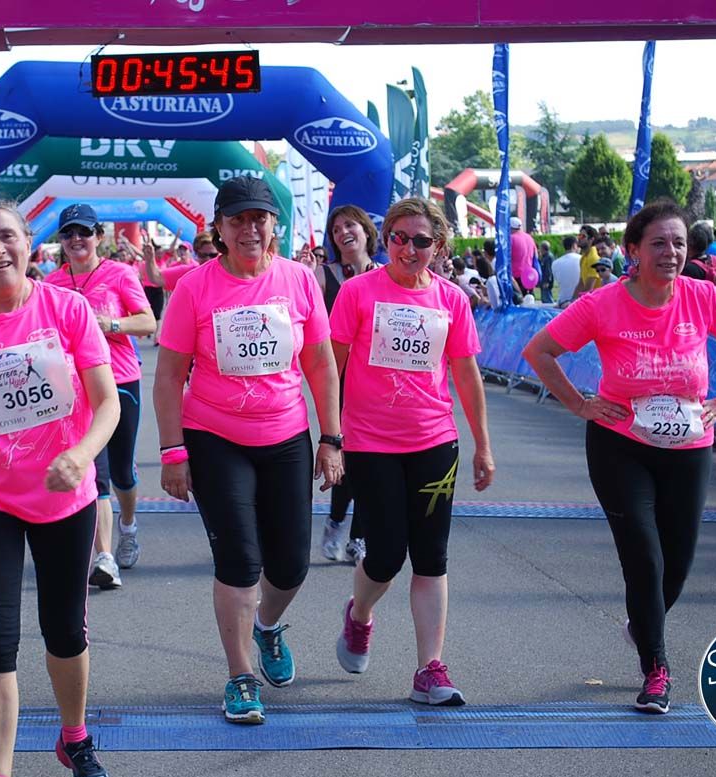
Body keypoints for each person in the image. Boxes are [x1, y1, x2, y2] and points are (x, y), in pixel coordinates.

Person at [522, 200, 716, 715]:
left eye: (679, 243)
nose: (671, 252)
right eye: (658, 243)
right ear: (633, 251)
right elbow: (539, 352)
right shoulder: (603, 303)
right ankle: (656, 669)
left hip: (688, 447)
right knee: (644, 554)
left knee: (675, 566)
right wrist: (579, 403)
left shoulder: (702, 297)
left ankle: (643, 625)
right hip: (620, 446)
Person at [0, 198, 119, 777]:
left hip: (65, 496)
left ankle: (75, 736)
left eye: (6, 236)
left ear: (28, 242)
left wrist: (81, 454)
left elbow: (107, 401)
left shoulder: (67, 309)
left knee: (64, 631)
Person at [154, 175, 343, 724]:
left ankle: (267, 627)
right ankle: (238, 677)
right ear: (220, 228)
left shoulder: (299, 281)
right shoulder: (194, 287)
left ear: (274, 225)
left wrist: (331, 437)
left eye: (258, 218)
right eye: (237, 220)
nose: (249, 229)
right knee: (239, 563)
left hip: (285, 435)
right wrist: (173, 453)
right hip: (215, 437)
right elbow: (168, 376)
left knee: (290, 567)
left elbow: (321, 364)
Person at [330, 197, 495, 706]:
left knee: (430, 556)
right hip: (370, 443)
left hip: (433, 441)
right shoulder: (358, 293)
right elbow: (330, 367)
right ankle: (359, 616)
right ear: (386, 240)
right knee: (385, 556)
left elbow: (466, 375)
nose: (408, 248)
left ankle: (430, 668)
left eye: (421, 240)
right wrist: (329, 438)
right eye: (399, 237)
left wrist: (482, 446)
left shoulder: (451, 300)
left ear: (439, 246)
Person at [45, 203, 157, 585]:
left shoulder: (120, 274)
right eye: (68, 233)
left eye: (84, 232)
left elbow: (147, 322)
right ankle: (104, 557)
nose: (77, 239)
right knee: (97, 474)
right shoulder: (52, 284)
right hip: (74, 389)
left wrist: (107, 323)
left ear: (98, 236)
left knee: (123, 471)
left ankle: (128, 526)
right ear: (60, 241)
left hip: (121, 381)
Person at [314, 204, 379, 565]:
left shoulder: (386, 274)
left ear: (366, 230)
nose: (343, 233)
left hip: (377, 382)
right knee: (346, 454)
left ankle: (360, 535)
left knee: (373, 460)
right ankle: (337, 519)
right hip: (339, 380)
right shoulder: (325, 275)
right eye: (336, 229)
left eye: (350, 225)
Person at [552, 235, 582, 307]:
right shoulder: (582, 260)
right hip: (579, 300)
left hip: (562, 300)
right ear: (574, 246)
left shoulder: (555, 263)